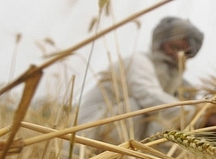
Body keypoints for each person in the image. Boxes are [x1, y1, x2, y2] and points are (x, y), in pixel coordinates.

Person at [78, 16, 204, 144]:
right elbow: (149, 96)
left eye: (186, 52)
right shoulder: (138, 62)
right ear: (159, 44)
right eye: (175, 47)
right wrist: (198, 115)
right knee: (135, 108)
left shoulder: (181, 85)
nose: (178, 56)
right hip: (85, 138)